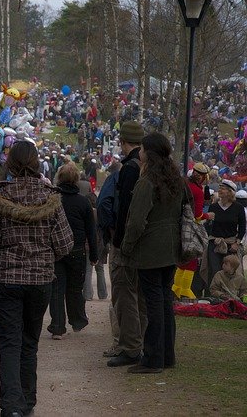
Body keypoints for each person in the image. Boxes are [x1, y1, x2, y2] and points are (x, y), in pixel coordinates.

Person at [0, 141, 74, 417]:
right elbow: (66, 243)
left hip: (6, 280)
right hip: (40, 280)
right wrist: (43, 252)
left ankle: (11, 405)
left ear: (11, 164)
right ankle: (27, 401)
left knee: (9, 343)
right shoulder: (51, 198)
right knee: (30, 341)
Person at [121, 132, 183, 374]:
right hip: (170, 249)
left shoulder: (147, 182)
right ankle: (167, 355)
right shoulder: (175, 180)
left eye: (143, 149)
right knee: (165, 302)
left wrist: (126, 247)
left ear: (150, 153)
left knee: (155, 304)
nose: (141, 153)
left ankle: (153, 358)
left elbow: (136, 222)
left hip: (150, 251)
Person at [106, 121, 147, 367]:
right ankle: (139, 343)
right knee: (140, 296)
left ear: (124, 142)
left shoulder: (130, 168)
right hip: (145, 243)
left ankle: (130, 347)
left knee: (124, 295)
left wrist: (119, 240)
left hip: (128, 242)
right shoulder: (147, 166)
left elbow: (125, 211)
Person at [48, 162, 97, 339]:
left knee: (56, 290)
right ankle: (77, 320)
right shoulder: (83, 202)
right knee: (75, 288)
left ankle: (57, 326)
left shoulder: (52, 200)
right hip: (77, 250)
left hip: (56, 251)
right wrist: (94, 255)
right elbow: (91, 231)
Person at [175, 163, 214, 299]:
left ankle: (176, 288)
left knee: (181, 262)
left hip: (178, 225)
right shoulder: (197, 191)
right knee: (191, 262)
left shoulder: (185, 184)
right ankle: (185, 289)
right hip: (190, 229)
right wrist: (208, 215)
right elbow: (197, 215)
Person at [206, 179, 246, 296]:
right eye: (220, 187)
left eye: (223, 188)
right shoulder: (213, 207)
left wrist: (237, 243)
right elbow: (208, 226)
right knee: (214, 270)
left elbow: (242, 227)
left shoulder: (238, 208)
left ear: (230, 192)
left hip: (231, 244)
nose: (220, 190)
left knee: (231, 271)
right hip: (215, 243)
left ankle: (231, 295)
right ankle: (213, 295)